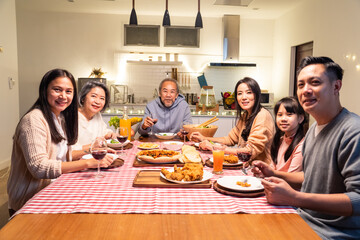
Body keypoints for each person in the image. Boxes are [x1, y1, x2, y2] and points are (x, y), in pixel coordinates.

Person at [252, 56, 360, 239]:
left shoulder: (352, 131)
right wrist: (274, 174)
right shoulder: (312, 131)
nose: (306, 90)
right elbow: (309, 178)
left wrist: (294, 198)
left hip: (334, 232)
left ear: (336, 86)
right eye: (301, 85)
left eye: (315, 83)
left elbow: (357, 200)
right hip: (303, 218)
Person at [7, 69, 114, 215]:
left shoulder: (59, 118)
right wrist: (89, 162)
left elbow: (64, 154)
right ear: (45, 90)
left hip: (54, 189)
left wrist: (92, 151)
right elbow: (39, 167)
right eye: (57, 90)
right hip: (30, 200)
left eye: (68, 91)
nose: (63, 96)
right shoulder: (34, 120)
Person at [191, 77, 275, 164]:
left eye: (249, 92)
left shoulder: (262, 115)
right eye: (239, 94)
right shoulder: (245, 115)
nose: (244, 97)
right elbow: (230, 139)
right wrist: (204, 138)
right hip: (247, 166)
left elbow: (249, 151)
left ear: (256, 95)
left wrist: (215, 147)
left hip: (262, 171)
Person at [72, 81, 116, 160]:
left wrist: (109, 134)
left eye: (102, 98)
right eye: (93, 96)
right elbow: (68, 152)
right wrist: (93, 146)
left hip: (94, 161)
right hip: (76, 164)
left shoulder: (97, 114)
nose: (98, 101)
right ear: (83, 98)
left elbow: (103, 131)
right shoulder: (72, 117)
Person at [270, 96, 306, 172]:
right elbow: (272, 168)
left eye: (289, 114)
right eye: (280, 115)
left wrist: (271, 174)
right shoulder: (279, 140)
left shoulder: (302, 145)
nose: (283, 119)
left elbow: (292, 177)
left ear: (300, 118)